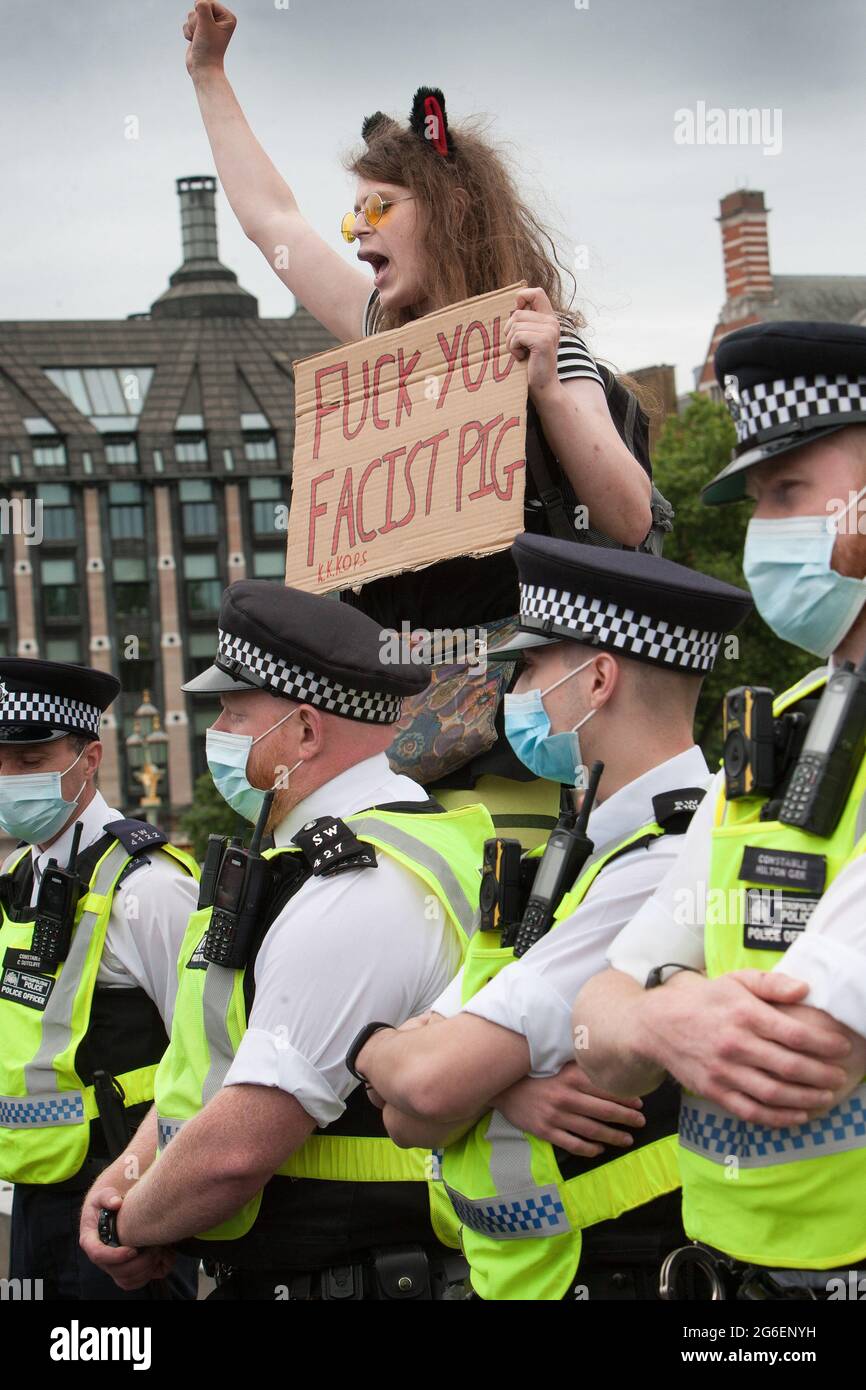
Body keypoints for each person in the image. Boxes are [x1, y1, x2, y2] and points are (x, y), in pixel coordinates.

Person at [181, 2, 659, 847]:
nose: (353, 230)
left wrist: (545, 382)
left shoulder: (548, 347)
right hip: (401, 733)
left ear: (450, 210)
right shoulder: (384, 341)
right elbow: (275, 225)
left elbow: (629, 518)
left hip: (513, 743)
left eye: (378, 208)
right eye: (352, 212)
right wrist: (209, 77)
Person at [349, 534, 753, 1300]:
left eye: (531, 668)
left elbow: (429, 1088)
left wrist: (412, 1061)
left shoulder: (665, 859)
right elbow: (407, 1118)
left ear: (598, 678)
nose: (515, 693)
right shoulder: (580, 854)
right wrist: (491, 1085)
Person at [79, 581, 494, 1300]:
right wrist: (133, 1172)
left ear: (305, 732)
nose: (221, 732)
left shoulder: (358, 886)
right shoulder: (314, 864)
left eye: (236, 712)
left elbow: (239, 1149)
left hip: (355, 1276)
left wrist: (128, 1226)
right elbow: (211, 1065)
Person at [573, 321, 866, 1299]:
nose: (763, 531)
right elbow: (596, 1026)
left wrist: (659, 1012)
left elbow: (805, 1042)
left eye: (787, 491)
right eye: (755, 504)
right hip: (732, 1283)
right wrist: (662, 1021)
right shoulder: (776, 731)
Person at [0, 659, 200, 1300]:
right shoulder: (20, 877)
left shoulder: (152, 886)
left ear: (89, 758)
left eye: (29, 759)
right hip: (34, 1192)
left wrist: (157, 1201)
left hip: (126, 1197)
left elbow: (206, 1055)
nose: (8, 777)